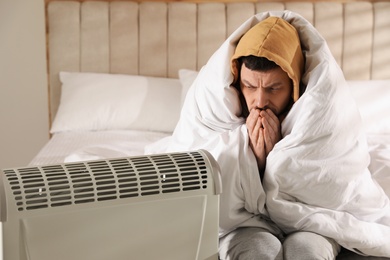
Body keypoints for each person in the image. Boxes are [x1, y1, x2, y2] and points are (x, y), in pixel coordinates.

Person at [146, 11, 390, 259]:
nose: (259, 101)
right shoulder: (211, 104)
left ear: (296, 86)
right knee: (257, 249)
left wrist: (277, 157)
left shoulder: (324, 111)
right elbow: (193, 174)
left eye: (274, 88)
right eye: (249, 86)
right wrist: (249, 157)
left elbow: (333, 185)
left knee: (306, 251)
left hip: (314, 218)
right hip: (240, 224)